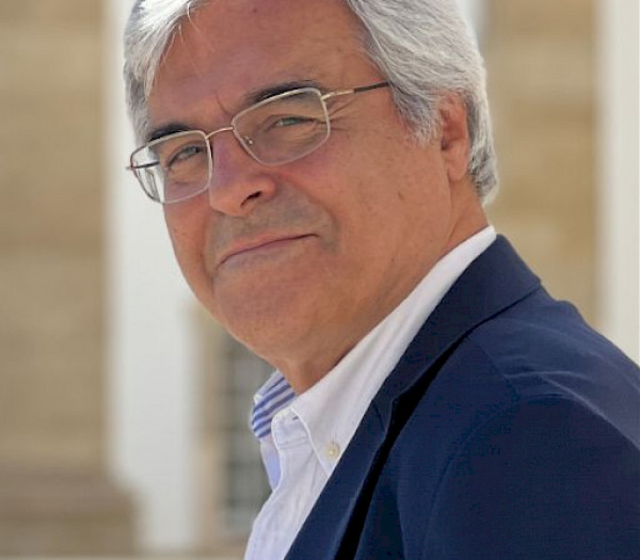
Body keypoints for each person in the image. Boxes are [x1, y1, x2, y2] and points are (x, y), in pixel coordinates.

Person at [123, 0, 639, 558]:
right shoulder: (389, 425)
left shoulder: (527, 437)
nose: (227, 190)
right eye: (183, 153)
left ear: (445, 131)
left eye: (288, 119)